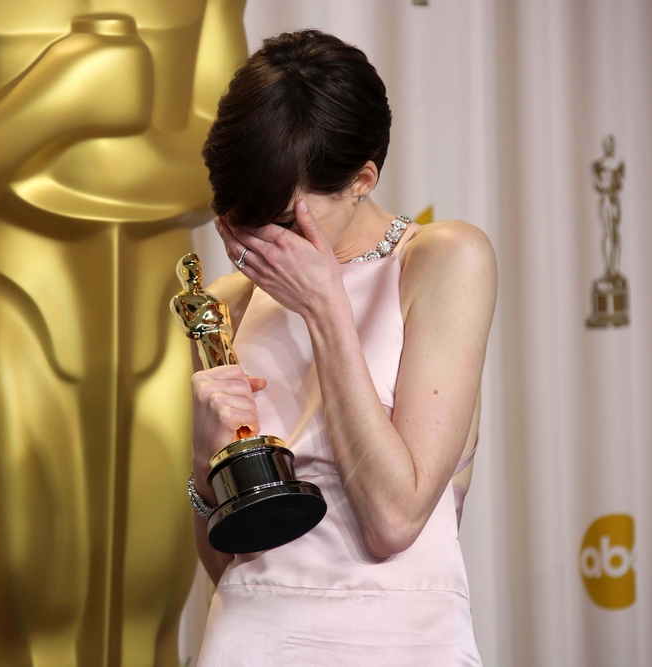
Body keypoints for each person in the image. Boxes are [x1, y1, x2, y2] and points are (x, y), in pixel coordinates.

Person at [186, 30, 497, 665]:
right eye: (242, 221)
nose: (259, 247)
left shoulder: (443, 261)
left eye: (283, 221)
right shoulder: (231, 300)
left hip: (401, 640)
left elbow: (394, 520)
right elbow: (231, 564)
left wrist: (327, 308)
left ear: (362, 178)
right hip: (250, 638)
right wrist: (201, 462)